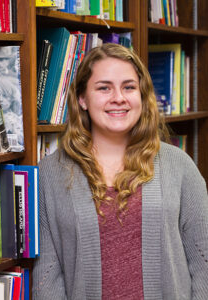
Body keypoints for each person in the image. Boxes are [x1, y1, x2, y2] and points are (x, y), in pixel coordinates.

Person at [32, 43, 208, 300]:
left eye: (129, 87)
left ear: (141, 95)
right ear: (82, 98)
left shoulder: (179, 165)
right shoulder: (49, 173)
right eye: (104, 88)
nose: (119, 98)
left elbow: (204, 262)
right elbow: (47, 275)